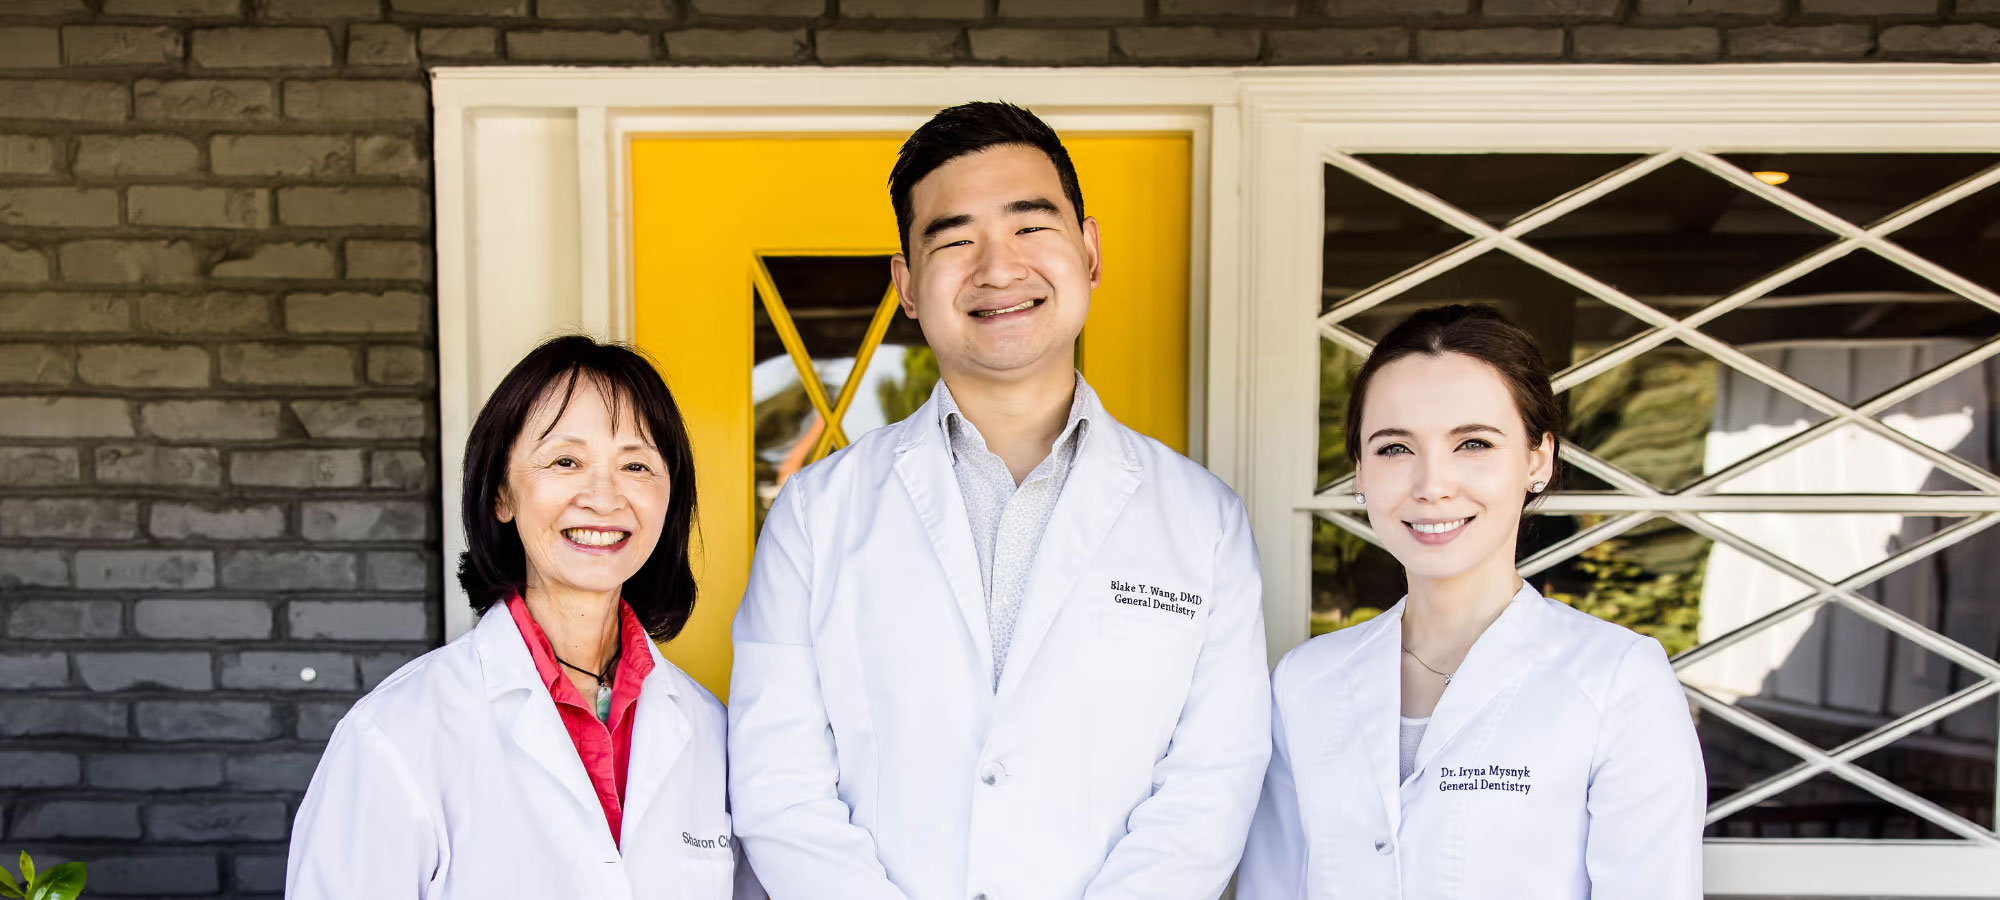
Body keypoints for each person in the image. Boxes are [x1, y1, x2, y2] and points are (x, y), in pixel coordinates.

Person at [727, 101, 1272, 900]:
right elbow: (781, 787)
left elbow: (1210, 785)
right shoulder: (815, 514)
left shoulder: (1204, 521)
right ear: (907, 285)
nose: (997, 267)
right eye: (954, 240)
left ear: (1088, 252)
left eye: (1030, 226)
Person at [1238, 305, 1706, 899]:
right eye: (1394, 449)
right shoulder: (1304, 684)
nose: (1432, 484)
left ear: (1538, 459)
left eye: (1474, 443)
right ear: (1359, 470)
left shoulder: (1617, 682)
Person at [287, 336, 746, 898]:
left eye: (636, 464)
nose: (604, 497)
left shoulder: (711, 732)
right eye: (565, 461)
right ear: (501, 493)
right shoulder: (396, 732)